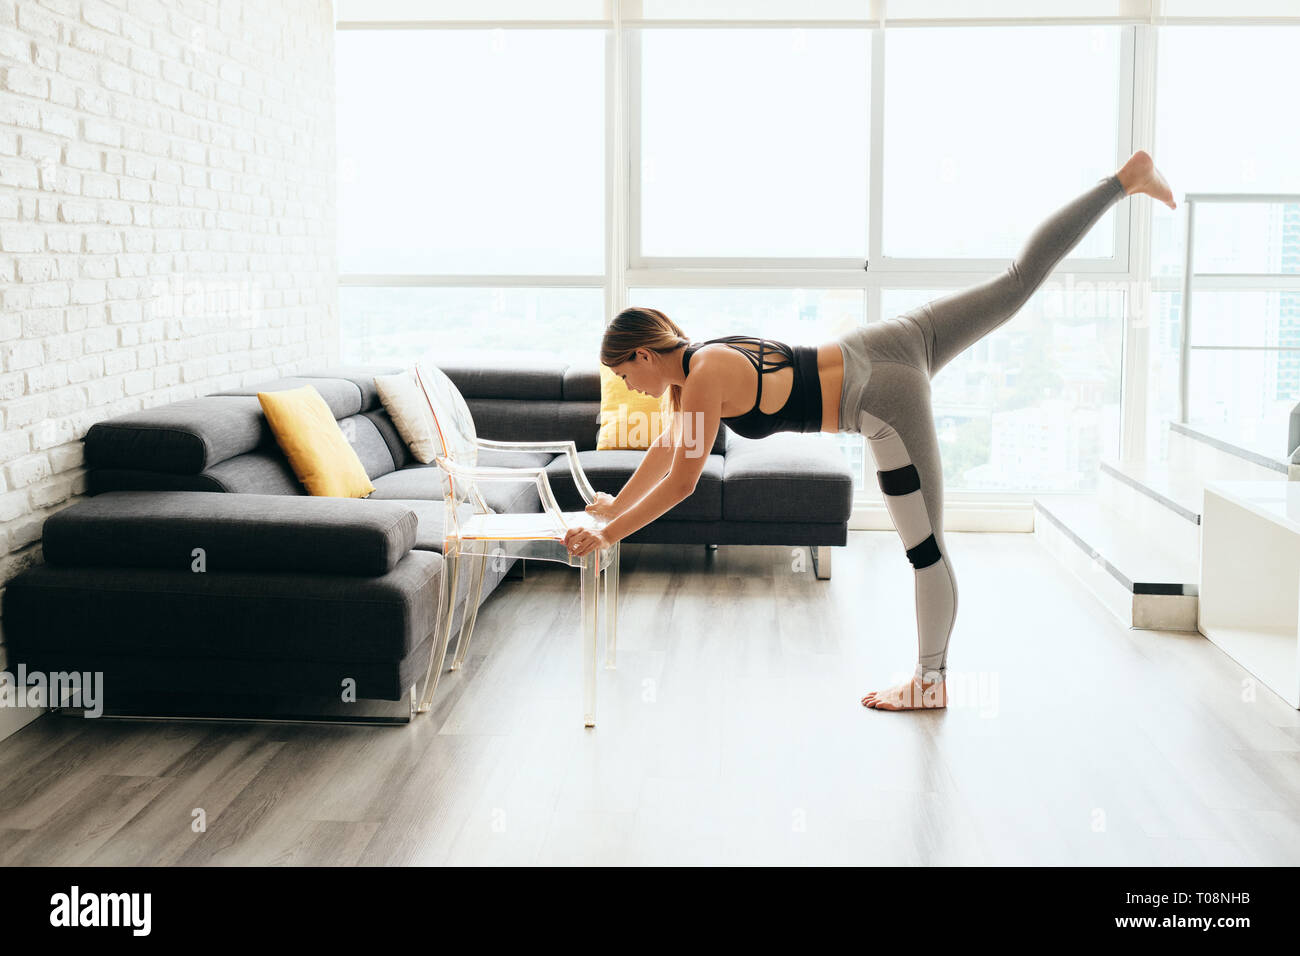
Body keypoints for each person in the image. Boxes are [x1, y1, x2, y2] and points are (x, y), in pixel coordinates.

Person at [562, 149, 1176, 711]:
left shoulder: (701, 380)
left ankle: (929, 683)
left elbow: (680, 485)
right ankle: (1125, 181)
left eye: (623, 374)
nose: (628, 387)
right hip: (895, 339)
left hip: (883, 400)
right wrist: (616, 505)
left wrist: (610, 533)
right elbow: (668, 453)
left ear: (643, 355)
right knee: (1014, 284)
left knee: (925, 548)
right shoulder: (702, 364)